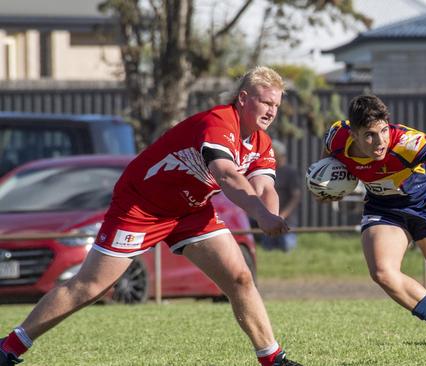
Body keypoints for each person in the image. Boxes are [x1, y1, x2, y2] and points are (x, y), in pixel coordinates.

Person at [0, 66, 302, 366]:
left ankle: (273, 359)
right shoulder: (218, 123)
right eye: (265, 102)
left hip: (190, 210)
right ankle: (9, 347)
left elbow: (265, 185)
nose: (271, 111)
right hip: (143, 206)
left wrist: (270, 216)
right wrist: (261, 215)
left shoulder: (260, 141)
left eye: (276, 104)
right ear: (243, 98)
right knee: (90, 286)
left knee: (240, 277)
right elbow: (226, 176)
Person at [314, 94, 426, 365]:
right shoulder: (336, 137)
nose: (379, 143)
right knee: (382, 272)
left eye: (383, 132)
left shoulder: (407, 142)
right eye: (369, 136)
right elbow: (328, 168)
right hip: (383, 208)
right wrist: (327, 190)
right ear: (352, 133)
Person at [261, 141, 302, 252]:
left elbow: (296, 197)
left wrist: (282, 215)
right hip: (269, 220)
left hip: (287, 222)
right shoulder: (268, 171)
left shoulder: (290, 173)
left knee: (287, 249)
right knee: (267, 250)